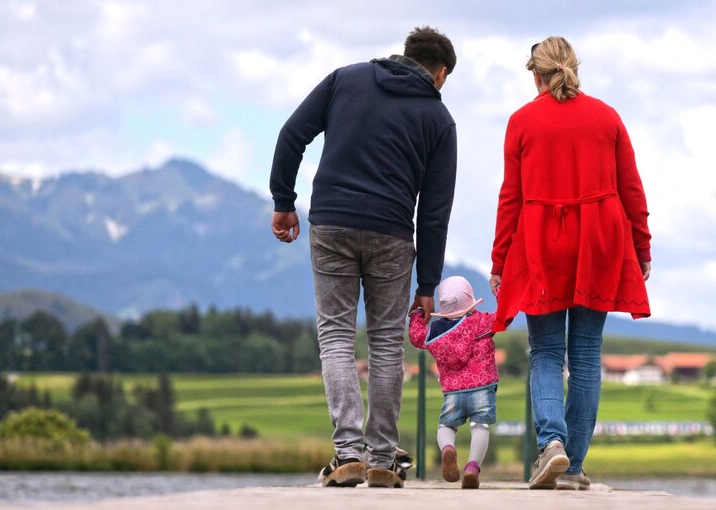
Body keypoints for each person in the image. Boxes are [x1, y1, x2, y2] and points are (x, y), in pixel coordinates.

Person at [269, 26, 458, 488]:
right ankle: (380, 459)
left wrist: (283, 200)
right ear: (441, 73)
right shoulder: (439, 119)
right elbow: (434, 211)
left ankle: (347, 454)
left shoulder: (346, 80)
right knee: (386, 343)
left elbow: (293, 133)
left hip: (332, 222)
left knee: (335, 335)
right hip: (393, 233)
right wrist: (428, 286)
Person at [489, 36, 653, 490]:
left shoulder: (522, 121)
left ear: (536, 75)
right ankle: (574, 466)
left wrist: (500, 258)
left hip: (542, 241)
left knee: (545, 351)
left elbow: (511, 198)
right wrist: (641, 249)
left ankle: (552, 445)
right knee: (585, 355)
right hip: (599, 240)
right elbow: (631, 190)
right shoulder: (607, 117)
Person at [408, 276, 499, 489]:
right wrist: (500, 292)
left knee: (446, 425)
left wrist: (418, 313)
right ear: (471, 300)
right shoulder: (481, 321)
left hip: (452, 393)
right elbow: (505, 316)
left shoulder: (435, 333)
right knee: (480, 427)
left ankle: (448, 447)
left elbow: (416, 335)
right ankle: (472, 468)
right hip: (482, 389)